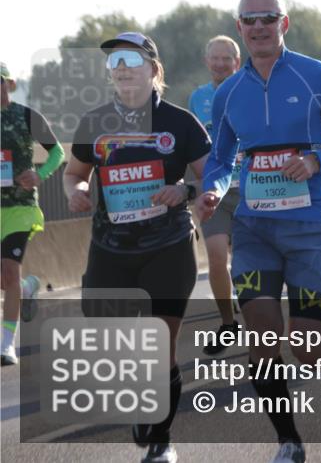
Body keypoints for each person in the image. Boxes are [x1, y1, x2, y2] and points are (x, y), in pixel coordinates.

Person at [195, 0, 321, 463]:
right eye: (249, 20)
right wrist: (212, 188)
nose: (258, 27)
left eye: (267, 18)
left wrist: (318, 160)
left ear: (283, 23)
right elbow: (221, 157)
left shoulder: (316, 76)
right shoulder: (228, 93)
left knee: (307, 342)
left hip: (310, 226)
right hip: (253, 229)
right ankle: (289, 442)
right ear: (239, 28)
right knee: (264, 338)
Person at [62, 33, 209, 463]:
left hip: (167, 246)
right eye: (113, 62)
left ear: (154, 69)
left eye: (131, 59)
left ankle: (162, 442)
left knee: (161, 345)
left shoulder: (180, 123)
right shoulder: (95, 121)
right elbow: (74, 173)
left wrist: (184, 189)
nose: (121, 67)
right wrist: (78, 189)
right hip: (110, 248)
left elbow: (213, 179)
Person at [1, 63, 64, 366]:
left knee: (10, 270)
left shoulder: (26, 115)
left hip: (20, 207)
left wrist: (40, 174)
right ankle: (27, 288)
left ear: (9, 84)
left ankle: (6, 344)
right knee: (8, 279)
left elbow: (57, 152)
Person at [189, 36, 242, 355]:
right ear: (207, 61)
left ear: (237, 61)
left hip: (251, 190)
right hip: (215, 192)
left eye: (227, 58)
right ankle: (228, 323)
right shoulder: (198, 98)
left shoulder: (250, 89)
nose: (221, 63)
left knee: (248, 264)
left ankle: (261, 323)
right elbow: (194, 144)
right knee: (217, 256)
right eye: (215, 58)